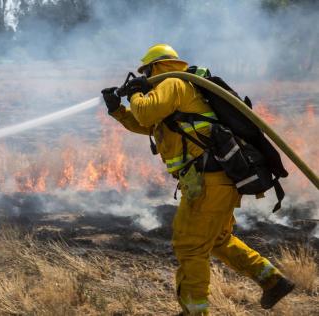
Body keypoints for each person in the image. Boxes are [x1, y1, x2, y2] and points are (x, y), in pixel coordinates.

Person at [101, 44, 295, 315]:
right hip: (218, 181)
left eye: (145, 71)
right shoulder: (178, 90)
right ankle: (272, 281)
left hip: (209, 182)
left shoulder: (172, 84)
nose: (144, 77)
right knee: (218, 240)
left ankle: (195, 311)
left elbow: (145, 112)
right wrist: (117, 111)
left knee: (189, 245)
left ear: (156, 68)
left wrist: (134, 93)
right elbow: (148, 123)